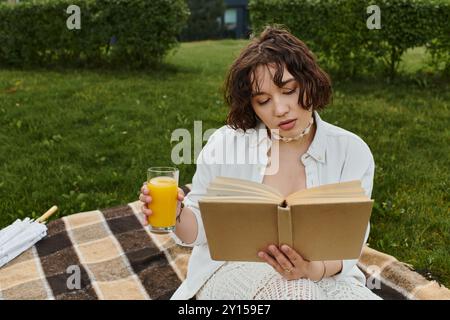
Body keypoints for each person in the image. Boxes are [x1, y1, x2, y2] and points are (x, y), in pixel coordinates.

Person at [138, 25, 381, 300]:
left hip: (325, 276)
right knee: (297, 293)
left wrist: (312, 269)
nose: (279, 109)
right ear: (251, 106)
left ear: (310, 82)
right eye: (263, 100)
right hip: (233, 272)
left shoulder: (351, 151)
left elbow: (350, 242)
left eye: (288, 90)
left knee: (310, 289)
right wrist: (177, 212)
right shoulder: (226, 143)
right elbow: (200, 232)